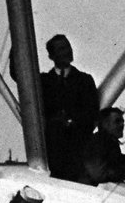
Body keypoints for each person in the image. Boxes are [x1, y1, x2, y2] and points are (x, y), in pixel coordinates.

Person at [12, 34, 99, 181]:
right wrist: (18, 40)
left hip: (79, 151)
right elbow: (19, 74)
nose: (67, 51)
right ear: (51, 56)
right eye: (61, 48)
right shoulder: (43, 82)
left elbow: (92, 112)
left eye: (68, 47)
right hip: (52, 152)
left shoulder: (85, 80)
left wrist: (72, 121)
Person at [80, 107, 125, 186]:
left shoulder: (109, 142)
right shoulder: (98, 142)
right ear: (105, 124)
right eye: (117, 121)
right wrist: (123, 173)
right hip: (86, 189)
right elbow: (98, 175)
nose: (122, 124)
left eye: (122, 121)